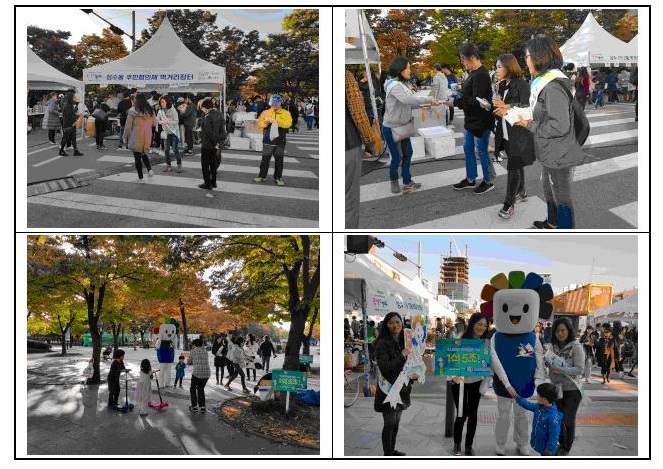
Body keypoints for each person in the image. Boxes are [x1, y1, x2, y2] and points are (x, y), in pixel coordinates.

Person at [516, 35, 585, 229]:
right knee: (548, 187)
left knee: (560, 195)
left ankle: (564, 231)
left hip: (559, 152)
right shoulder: (543, 82)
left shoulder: (553, 85)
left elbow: (560, 125)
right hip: (549, 149)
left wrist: (530, 125)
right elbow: (543, 112)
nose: (526, 60)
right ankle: (553, 222)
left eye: (527, 55)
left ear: (539, 57)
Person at [383, 56, 441, 195]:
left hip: (404, 126)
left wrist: (426, 105)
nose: (410, 70)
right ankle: (394, 181)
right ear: (400, 69)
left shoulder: (403, 84)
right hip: (392, 128)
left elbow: (408, 103)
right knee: (396, 157)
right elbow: (407, 99)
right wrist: (428, 99)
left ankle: (407, 181)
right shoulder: (394, 85)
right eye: (407, 68)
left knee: (408, 153)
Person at [491, 53, 535, 219]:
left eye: (499, 67)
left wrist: (507, 105)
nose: (496, 70)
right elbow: (501, 110)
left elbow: (527, 106)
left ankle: (508, 204)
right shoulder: (502, 85)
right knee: (516, 164)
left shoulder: (522, 84)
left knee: (513, 168)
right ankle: (522, 192)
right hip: (505, 131)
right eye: (496, 67)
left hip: (519, 133)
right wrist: (492, 107)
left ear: (510, 67)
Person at [447, 43, 495, 194]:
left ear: (473, 57)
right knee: (468, 149)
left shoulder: (481, 74)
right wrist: (459, 92)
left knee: (481, 151)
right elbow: (470, 96)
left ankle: (488, 181)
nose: (462, 62)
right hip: (470, 121)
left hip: (481, 121)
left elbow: (476, 102)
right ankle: (470, 178)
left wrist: (456, 102)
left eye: (463, 58)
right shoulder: (472, 73)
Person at [374, 312, 416, 456]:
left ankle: (392, 450)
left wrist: (413, 374)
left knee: (396, 423)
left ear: (402, 323)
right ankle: (388, 454)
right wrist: (402, 354)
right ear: (386, 325)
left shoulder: (405, 340)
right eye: (391, 322)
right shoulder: (382, 343)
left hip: (402, 389)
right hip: (388, 389)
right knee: (389, 423)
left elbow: (409, 363)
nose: (395, 325)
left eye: (397, 322)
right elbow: (385, 367)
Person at [448, 313, 491, 456]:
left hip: (475, 383)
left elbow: (488, 364)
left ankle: (468, 445)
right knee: (461, 414)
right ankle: (457, 444)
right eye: (479, 324)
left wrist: (486, 380)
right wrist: (453, 376)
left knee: (472, 415)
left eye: (485, 326)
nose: (482, 328)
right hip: (459, 383)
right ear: (472, 323)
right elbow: (449, 359)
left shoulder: (485, 343)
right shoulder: (460, 339)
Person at [546, 317, 585, 456]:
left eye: (563, 330)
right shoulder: (553, 347)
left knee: (568, 419)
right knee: (559, 418)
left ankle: (566, 448)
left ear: (569, 330)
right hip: (558, 388)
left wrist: (561, 369)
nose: (560, 333)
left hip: (573, 390)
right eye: (557, 331)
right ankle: (561, 443)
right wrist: (548, 365)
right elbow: (551, 366)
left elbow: (580, 369)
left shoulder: (576, 347)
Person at [346, 70, 373, 228]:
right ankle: (348, 237)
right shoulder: (345, 76)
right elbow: (358, 112)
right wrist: (368, 140)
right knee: (349, 196)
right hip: (348, 141)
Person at [253, 94, 292, 186]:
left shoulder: (286, 113)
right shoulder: (265, 112)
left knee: (279, 160)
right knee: (265, 159)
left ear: (280, 103)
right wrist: (266, 123)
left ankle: (278, 177)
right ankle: (262, 175)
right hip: (267, 140)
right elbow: (259, 124)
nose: (274, 105)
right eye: (272, 103)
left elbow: (288, 124)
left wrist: (277, 122)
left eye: (276, 103)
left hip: (280, 140)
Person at [514, 382, 563, 456]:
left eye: (538, 395)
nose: (536, 396)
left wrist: (549, 449)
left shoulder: (552, 417)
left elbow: (554, 435)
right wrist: (518, 398)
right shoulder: (539, 407)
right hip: (541, 445)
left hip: (547, 450)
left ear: (544, 399)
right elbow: (529, 405)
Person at [122, 93, 155, 183]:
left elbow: (128, 126)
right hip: (147, 134)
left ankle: (140, 178)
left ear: (136, 100)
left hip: (137, 135)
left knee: (137, 158)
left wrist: (124, 136)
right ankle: (149, 170)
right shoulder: (150, 110)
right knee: (144, 153)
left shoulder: (132, 111)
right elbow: (154, 124)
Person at [197, 98, 225, 190]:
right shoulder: (219, 114)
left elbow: (209, 132)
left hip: (208, 144)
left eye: (202, 108)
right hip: (216, 143)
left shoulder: (208, 117)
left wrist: (201, 134)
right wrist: (218, 143)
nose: (202, 110)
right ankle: (214, 182)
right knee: (213, 163)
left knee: (205, 164)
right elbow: (222, 129)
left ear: (205, 108)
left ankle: (207, 183)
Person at [156, 95, 182, 173]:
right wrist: (161, 122)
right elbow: (157, 120)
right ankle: (168, 166)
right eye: (161, 102)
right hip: (166, 132)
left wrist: (167, 122)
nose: (162, 103)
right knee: (166, 150)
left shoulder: (173, 110)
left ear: (167, 102)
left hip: (174, 132)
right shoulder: (160, 111)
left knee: (175, 149)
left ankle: (179, 165)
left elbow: (176, 121)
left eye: (163, 102)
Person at [187, 338, 210, 412]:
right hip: (207, 374)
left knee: (192, 389)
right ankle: (202, 407)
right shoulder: (205, 351)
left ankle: (194, 406)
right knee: (200, 388)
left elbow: (189, 362)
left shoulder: (193, 351)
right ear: (201, 344)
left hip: (197, 373)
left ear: (194, 344)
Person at [59, 91, 83, 157]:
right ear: (70, 98)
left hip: (71, 124)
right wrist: (73, 122)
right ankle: (61, 150)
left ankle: (76, 151)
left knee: (73, 137)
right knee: (65, 138)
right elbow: (68, 116)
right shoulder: (67, 105)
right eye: (74, 97)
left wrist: (77, 107)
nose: (75, 98)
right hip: (68, 124)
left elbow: (72, 114)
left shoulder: (70, 105)